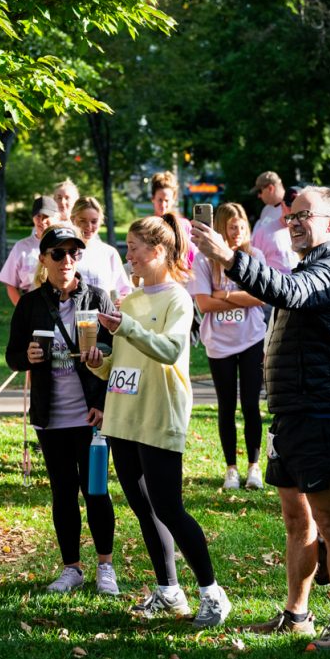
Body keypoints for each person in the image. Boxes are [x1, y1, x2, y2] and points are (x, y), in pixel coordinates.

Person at [191, 185, 330, 651]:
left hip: (321, 413)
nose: (296, 221)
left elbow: (284, 290)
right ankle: (296, 615)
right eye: (292, 216)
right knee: (295, 520)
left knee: (329, 521)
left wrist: (229, 257)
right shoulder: (307, 268)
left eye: (306, 214)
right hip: (288, 415)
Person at [86, 214, 232, 628]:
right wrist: (99, 363)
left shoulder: (177, 299)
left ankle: (212, 593)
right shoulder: (129, 300)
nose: (127, 255)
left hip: (158, 414)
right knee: (143, 507)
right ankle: (168, 590)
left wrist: (126, 327)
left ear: (158, 251)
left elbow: (168, 351)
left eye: (133, 248)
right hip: (123, 415)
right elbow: (124, 361)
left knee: (169, 506)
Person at [5, 226, 120, 596]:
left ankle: (105, 566)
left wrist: (103, 404)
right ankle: (71, 567)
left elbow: (119, 357)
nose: (66, 260)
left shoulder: (98, 298)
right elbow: (12, 356)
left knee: (97, 491)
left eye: (74, 253)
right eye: (58, 253)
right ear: (43, 259)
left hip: (91, 416)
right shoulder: (30, 304)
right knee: (63, 493)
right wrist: (28, 356)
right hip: (51, 417)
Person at [191, 203, 268, 491]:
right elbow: (203, 303)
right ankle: (231, 469)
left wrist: (222, 293)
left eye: (242, 226)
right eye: (232, 226)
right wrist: (239, 296)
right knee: (226, 406)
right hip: (219, 344)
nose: (238, 232)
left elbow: (260, 296)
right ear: (220, 228)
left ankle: (254, 466)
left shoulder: (254, 256)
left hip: (251, 339)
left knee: (250, 404)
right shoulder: (203, 260)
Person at [0, 196, 61, 306]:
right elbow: (10, 284)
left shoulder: (65, 243)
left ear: (57, 217)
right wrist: (22, 310)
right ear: (33, 218)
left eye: (47, 216)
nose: (42, 221)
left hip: (62, 306)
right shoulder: (21, 247)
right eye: (38, 216)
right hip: (32, 304)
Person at [70, 196, 133, 301]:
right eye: (83, 221)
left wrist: (121, 301)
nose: (89, 226)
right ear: (73, 220)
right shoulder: (65, 252)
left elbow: (125, 291)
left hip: (102, 315)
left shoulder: (109, 253)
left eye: (94, 221)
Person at [249, 171, 298, 275]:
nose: (259, 196)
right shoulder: (266, 209)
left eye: (260, 191)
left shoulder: (294, 209)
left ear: (270, 188)